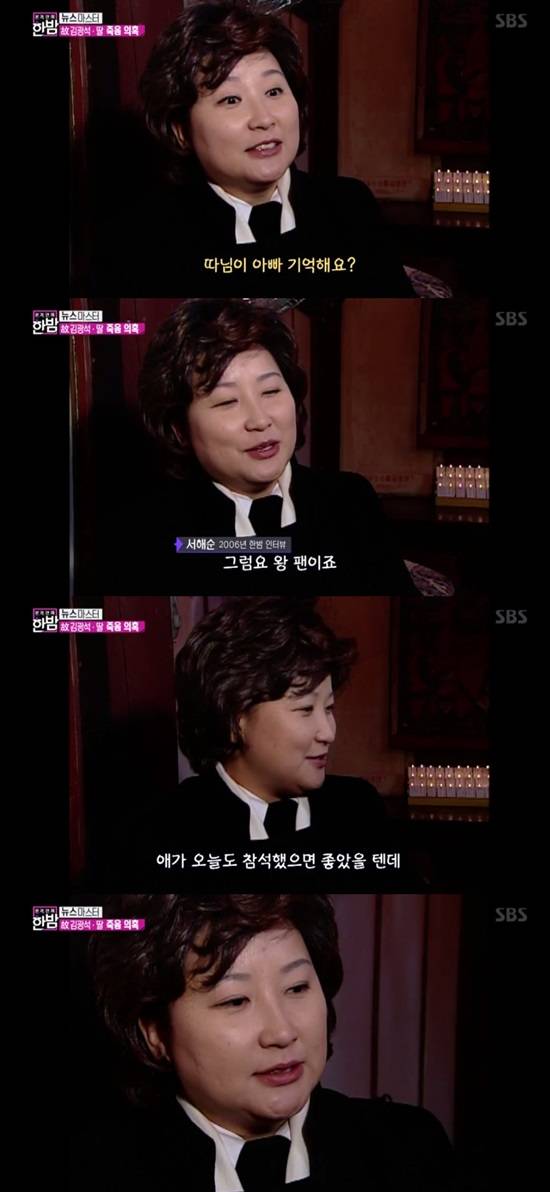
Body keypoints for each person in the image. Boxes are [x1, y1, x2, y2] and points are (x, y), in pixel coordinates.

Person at [71, 894, 459, 1190]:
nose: (282, 1032)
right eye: (235, 1001)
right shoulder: (98, 1170)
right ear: (155, 1033)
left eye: (297, 987)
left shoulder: (409, 1148)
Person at [94, 1, 414, 295]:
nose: (264, 119)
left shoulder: (350, 206)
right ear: (181, 131)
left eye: (274, 91)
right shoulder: (141, 241)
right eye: (231, 99)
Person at [105, 299, 414, 593]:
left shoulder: (350, 500)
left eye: (270, 391)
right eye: (227, 401)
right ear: (180, 429)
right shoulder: (147, 534)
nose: (260, 420)